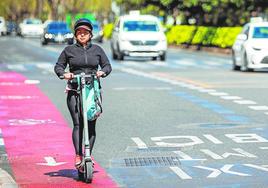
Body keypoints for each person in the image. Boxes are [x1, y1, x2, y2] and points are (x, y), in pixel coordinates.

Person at [54, 18, 112, 168]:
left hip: (92, 91)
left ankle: (88, 155)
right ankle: (78, 155)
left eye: (85, 32)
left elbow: (107, 66)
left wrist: (102, 72)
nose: (82, 34)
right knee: (78, 123)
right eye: (79, 32)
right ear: (75, 35)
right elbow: (58, 66)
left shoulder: (97, 50)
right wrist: (64, 74)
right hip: (75, 90)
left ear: (90, 34)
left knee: (91, 125)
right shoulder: (69, 50)